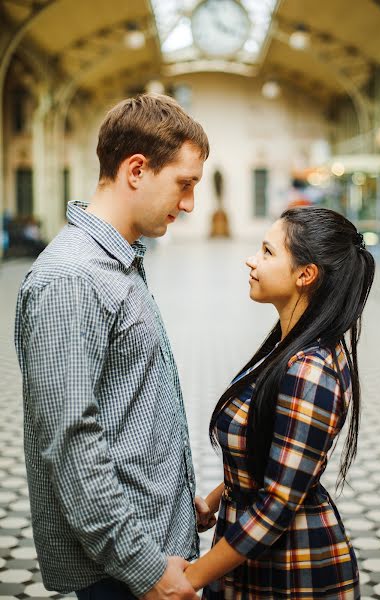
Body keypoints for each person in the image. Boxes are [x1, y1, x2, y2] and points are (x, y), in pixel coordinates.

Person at [14, 93, 209, 600]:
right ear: (137, 170)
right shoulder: (71, 279)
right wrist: (145, 569)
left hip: (152, 541)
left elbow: (127, 412)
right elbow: (71, 444)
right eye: (184, 184)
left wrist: (183, 507)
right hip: (123, 573)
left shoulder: (114, 263)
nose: (189, 204)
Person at [185, 207, 375, 599]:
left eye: (268, 252)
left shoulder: (311, 370)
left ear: (305, 275)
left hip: (292, 569)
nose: (251, 260)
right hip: (250, 553)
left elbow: (276, 505)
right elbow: (266, 452)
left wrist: (187, 580)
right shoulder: (291, 347)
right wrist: (215, 499)